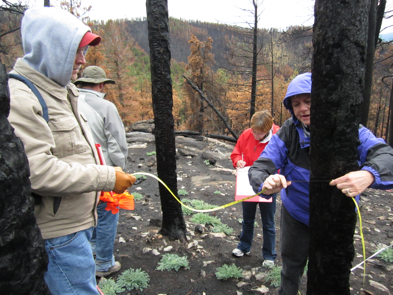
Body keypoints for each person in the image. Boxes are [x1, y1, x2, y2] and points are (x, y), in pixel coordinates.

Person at [7, 7, 136, 295]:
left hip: (78, 223)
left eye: (84, 51)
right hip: (58, 235)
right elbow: (37, 172)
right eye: (75, 51)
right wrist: (106, 177)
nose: (82, 60)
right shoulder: (23, 97)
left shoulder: (63, 90)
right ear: (49, 49)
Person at [248, 72, 393, 295]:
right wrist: (266, 181)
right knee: (291, 267)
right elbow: (260, 166)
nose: (302, 108)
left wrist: (369, 174)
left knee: (331, 270)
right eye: (296, 104)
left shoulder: (350, 129)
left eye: (308, 101)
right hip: (295, 215)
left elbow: (386, 156)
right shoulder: (288, 132)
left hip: (336, 219)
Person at [74, 66, 128, 277]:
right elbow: (117, 144)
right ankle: (104, 263)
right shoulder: (106, 107)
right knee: (107, 215)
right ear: (100, 85)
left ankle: (91, 254)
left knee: (88, 213)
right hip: (104, 172)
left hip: (77, 172)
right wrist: (121, 171)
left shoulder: (69, 103)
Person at [230, 110, 280, 268]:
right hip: (247, 182)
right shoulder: (246, 134)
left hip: (268, 184)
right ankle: (244, 247)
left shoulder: (278, 136)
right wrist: (238, 161)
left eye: (259, 133)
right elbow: (236, 153)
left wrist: (275, 178)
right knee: (247, 218)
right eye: (254, 131)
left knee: (268, 221)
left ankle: (269, 255)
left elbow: (284, 160)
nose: (255, 135)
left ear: (267, 130)